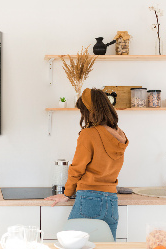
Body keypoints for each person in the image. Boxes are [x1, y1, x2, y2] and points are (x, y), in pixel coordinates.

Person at [45, 88, 128, 240]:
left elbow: (77, 169)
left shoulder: (89, 134)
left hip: (89, 199)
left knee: (71, 246)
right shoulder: (119, 135)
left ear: (90, 111)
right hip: (111, 201)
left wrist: (67, 194)